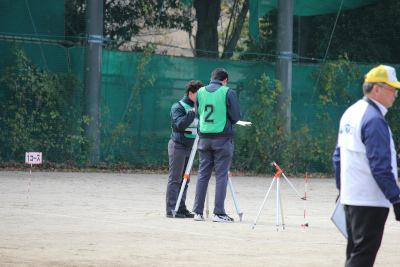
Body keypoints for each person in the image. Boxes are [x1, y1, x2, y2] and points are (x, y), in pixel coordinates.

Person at [332, 65, 400, 266]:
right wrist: (396, 198)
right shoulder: (375, 119)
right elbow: (380, 166)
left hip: (351, 197)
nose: (396, 94)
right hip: (370, 200)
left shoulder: (351, 112)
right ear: (377, 89)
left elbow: (338, 157)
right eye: (392, 89)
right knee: (363, 257)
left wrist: (342, 189)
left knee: (355, 253)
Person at [192, 68, 242, 222]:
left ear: (211, 78)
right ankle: (219, 213)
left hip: (204, 138)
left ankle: (198, 213)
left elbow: (197, 114)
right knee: (221, 176)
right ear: (225, 80)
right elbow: (236, 117)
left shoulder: (200, 92)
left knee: (203, 175)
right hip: (223, 139)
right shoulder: (228, 92)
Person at [166, 80, 204, 218]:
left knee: (185, 179)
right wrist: (193, 112)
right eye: (198, 95)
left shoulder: (198, 107)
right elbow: (180, 124)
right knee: (175, 178)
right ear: (191, 93)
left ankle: (181, 207)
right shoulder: (178, 107)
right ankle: (171, 209)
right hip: (178, 145)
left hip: (191, 147)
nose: (201, 98)